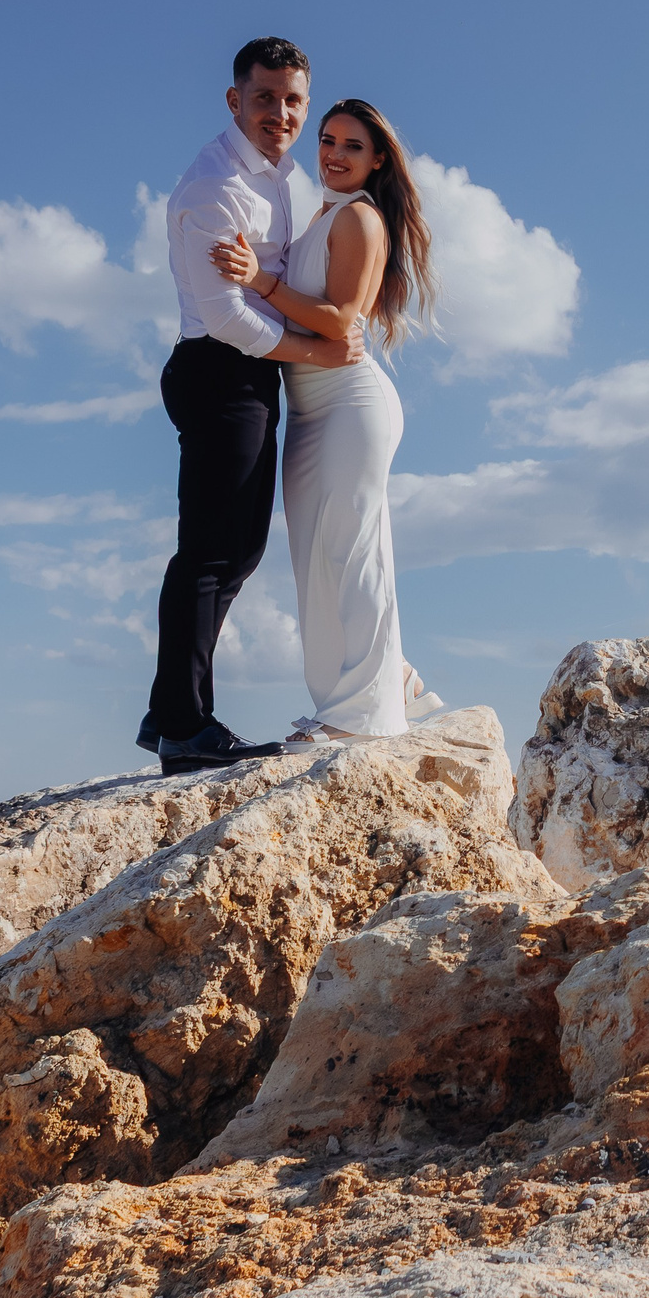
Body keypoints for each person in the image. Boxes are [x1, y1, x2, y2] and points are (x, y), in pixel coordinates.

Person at [138, 38, 367, 774]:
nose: (281, 113)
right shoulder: (215, 187)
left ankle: (171, 712)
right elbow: (227, 315)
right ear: (235, 99)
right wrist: (316, 353)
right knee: (211, 553)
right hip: (219, 369)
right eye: (265, 97)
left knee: (236, 550)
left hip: (248, 375)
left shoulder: (286, 176)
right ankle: (184, 729)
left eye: (293, 100)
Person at [211, 98, 440, 741]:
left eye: (352, 146)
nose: (334, 155)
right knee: (315, 559)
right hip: (310, 412)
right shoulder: (323, 216)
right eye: (328, 140)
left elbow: (342, 323)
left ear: (378, 161)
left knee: (352, 550)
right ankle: (389, 678)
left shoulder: (360, 218)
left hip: (349, 404)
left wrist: (260, 282)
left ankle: (361, 717)